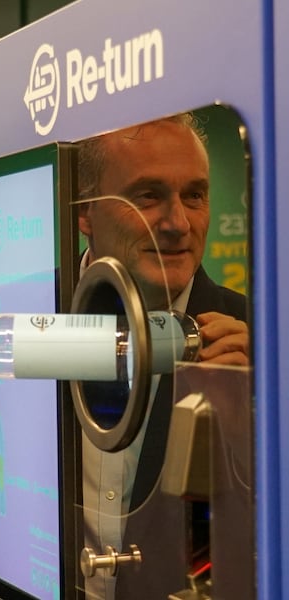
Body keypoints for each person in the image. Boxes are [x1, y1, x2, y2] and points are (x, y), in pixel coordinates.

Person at [75, 114, 249, 599]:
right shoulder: (23, 319)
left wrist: (255, 423)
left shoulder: (262, 341)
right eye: (147, 196)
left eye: (194, 195)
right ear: (85, 211)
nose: (177, 223)